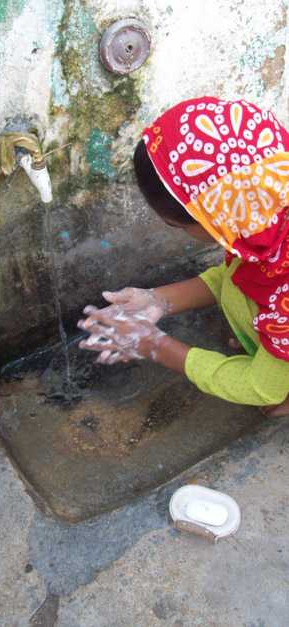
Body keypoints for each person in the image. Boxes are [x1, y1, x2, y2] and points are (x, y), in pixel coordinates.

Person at [78, 96, 289, 417]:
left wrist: (154, 345)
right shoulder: (266, 204)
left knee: (268, 390)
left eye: (176, 225)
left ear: (215, 217)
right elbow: (236, 277)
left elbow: (261, 388)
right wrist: (156, 299)